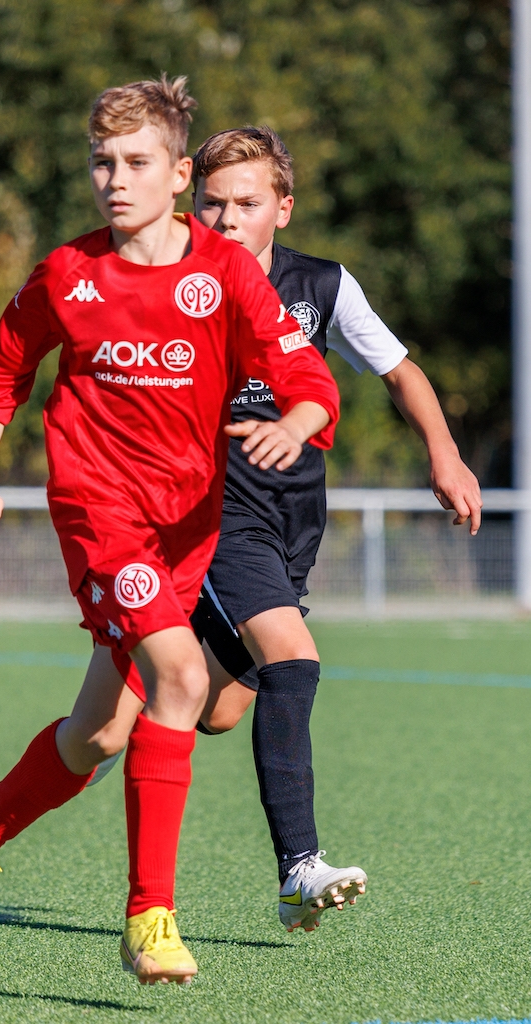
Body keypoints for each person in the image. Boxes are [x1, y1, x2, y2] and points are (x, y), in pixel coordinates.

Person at [0, 81, 340, 985]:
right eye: (101, 163)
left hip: (186, 528)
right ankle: (150, 918)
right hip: (101, 515)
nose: (115, 181)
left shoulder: (225, 273)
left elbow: (307, 375)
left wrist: (296, 421)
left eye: (135, 162)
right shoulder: (65, 274)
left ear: (178, 172)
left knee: (99, 735)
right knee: (184, 676)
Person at [187, 126, 483, 933]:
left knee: (217, 710)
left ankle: (148, 676)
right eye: (212, 203)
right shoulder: (171, 280)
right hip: (213, 516)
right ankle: (299, 870)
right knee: (293, 660)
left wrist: (444, 453)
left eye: (247, 203)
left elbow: (398, 370)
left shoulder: (321, 284)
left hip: (293, 522)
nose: (227, 219)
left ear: (282, 208)